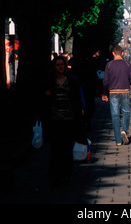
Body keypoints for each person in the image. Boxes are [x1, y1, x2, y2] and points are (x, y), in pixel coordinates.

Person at [44, 55, 85, 186]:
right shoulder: (49, 81)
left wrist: (80, 117)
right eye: (58, 65)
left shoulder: (72, 80)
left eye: (62, 64)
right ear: (54, 66)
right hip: (54, 119)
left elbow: (78, 100)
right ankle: (54, 175)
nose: (60, 67)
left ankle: (66, 175)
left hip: (69, 119)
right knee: (55, 148)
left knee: (67, 149)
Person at [101, 45, 131, 145]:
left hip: (113, 92)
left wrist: (104, 93)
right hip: (125, 91)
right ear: (122, 53)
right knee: (126, 112)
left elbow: (105, 81)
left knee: (115, 115)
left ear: (113, 53)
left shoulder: (109, 65)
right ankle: (124, 131)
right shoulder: (127, 64)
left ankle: (118, 140)